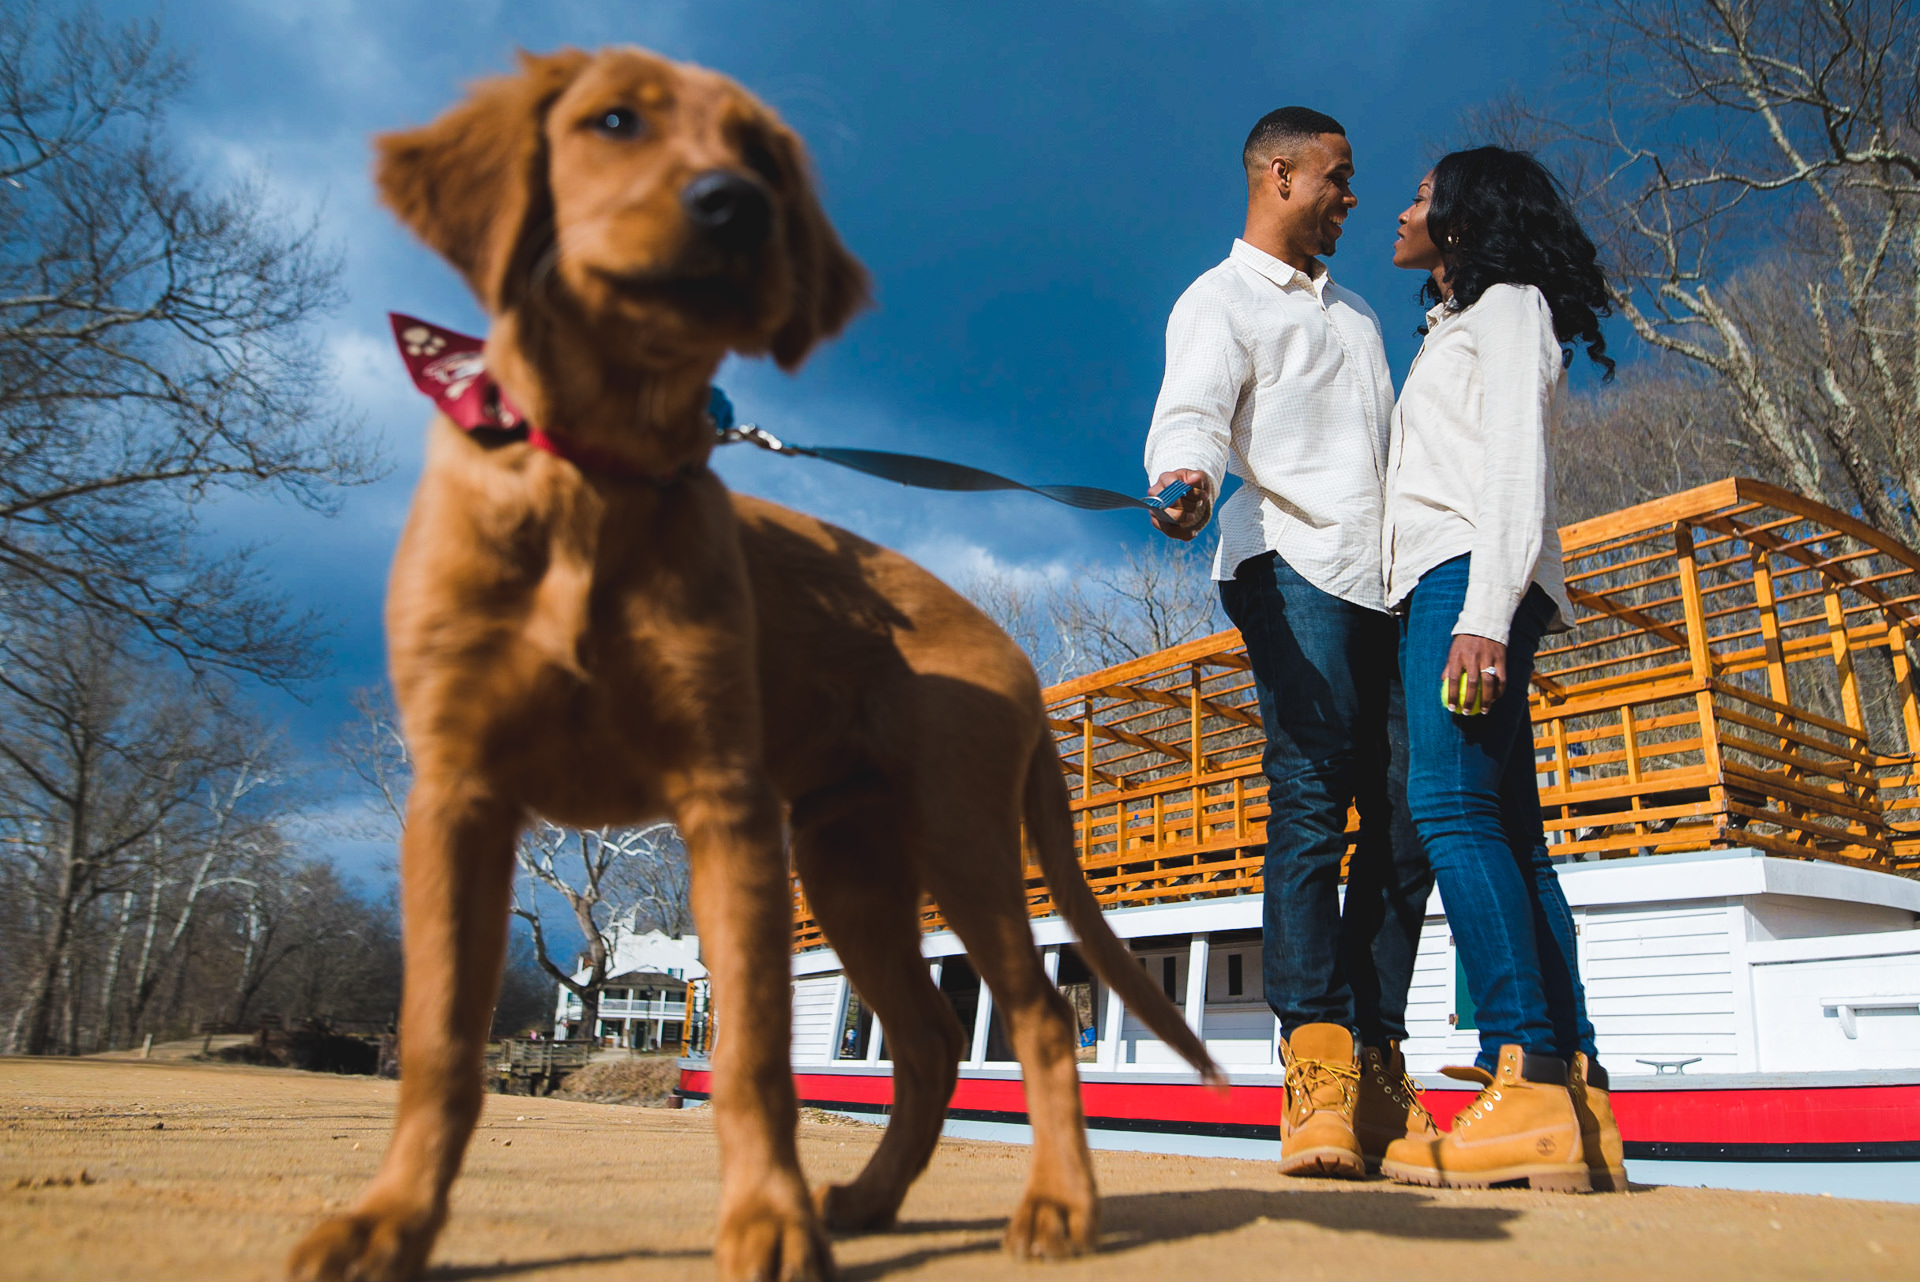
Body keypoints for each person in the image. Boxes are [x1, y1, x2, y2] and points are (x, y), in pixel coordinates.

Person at [1144, 107, 1436, 1180]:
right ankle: (1313, 1063)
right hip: (1286, 567)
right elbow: (1192, 414)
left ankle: (1376, 1054)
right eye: (1339, 178)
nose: (1355, 198)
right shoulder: (1216, 301)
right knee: (1313, 792)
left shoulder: (1358, 315)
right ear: (1279, 173)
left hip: (1384, 582)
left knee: (1410, 813)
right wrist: (1182, 480)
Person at [1377, 147, 1625, 1193]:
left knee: (1451, 810)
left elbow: (1512, 463)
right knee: (1513, 836)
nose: (1402, 208)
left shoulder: (1510, 305)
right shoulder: (1460, 323)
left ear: (1467, 216)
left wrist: (1482, 611)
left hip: (1464, 585)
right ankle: (1574, 1098)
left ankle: (1520, 1074)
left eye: (1424, 196)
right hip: (1457, 584)